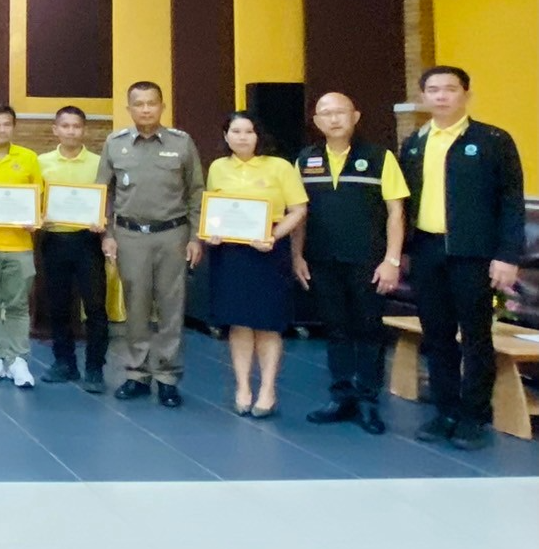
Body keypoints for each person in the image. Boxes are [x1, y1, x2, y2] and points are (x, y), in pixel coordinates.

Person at [399, 65, 525, 451]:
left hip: (474, 255)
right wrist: (401, 252)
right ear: (423, 97)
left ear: (466, 94)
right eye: (433, 90)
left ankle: (474, 415)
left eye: (450, 89)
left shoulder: (492, 140)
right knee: (436, 336)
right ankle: (445, 411)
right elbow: (402, 204)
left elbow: (511, 203)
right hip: (427, 251)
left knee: (475, 335)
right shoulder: (415, 144)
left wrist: (506, 256)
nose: (441, 96)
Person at [292, 92, 409, 435]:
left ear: (355, 115)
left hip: (368, 261)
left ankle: (369, 402)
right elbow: (299, 214)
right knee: (337, 329)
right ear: (316, 121)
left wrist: (391, 260)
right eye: (325, 113)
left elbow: (396, 212)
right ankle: (341, 396)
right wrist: (297, 255)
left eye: (340, 112)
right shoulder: (305, 159)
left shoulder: (379, 157)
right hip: (322, 259)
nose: (333, 119)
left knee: (369, 329)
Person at [97, 81, 204, 408]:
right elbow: (103, 194)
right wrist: (107, 234)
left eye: (151, 103)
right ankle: (137, 373)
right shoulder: (115, 144)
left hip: (172, 235)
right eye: (138, 104)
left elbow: (196, 192)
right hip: (130, 235)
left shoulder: (182, 144)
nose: (145, 109)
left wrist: (195, 237)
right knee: (136, 306)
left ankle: (168, 377)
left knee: (172, 309)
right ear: (128, 109)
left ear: (162, 106)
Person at [202, 112, 308, 419]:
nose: (242, 137)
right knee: (239, 323)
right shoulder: (218, 168)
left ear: (259, 135)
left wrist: (273, 236)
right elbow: (215, 209)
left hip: (268, 253)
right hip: (231, 255)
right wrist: (214, 231)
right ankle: (243, 387)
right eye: (235, 131)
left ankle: (268, 389)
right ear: (226, 136)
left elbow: (298, 209)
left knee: (267, 323)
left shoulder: (280, 167)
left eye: (249, 131)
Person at [0, 102, 46, 389]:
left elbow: (39, 199)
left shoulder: (28, 158)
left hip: (20, 245)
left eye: (7, 124)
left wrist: (36, 219)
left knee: (17, 305)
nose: (2, 130)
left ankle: (17, 359)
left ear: (14, 127)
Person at [36, 105, 109, 393]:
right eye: (64, 126)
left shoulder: (99, 162)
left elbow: (108, 199)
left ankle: (94, 367)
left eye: (76, 126)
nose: (70, 131)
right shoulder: (41, 162)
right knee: (58, 305)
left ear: (84, 130)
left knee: (94, 306)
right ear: (55, 130)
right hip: (54, 239)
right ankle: (64, 362)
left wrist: (102, 220)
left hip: (87, 241)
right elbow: (35, 199)